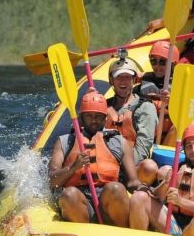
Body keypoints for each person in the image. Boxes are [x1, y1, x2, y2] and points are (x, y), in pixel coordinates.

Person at [48, 91, 141, 225]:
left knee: (115, 188)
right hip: (80, 202)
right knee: (69, 195)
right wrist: (73, 167)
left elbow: (132, 182)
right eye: (89, 116)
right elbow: (52, 181)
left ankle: (119, 235)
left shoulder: (119, 142)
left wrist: (146, 190)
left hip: (109, 201)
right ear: (80, 118)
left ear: (105, 119)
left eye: (98, 116)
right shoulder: (64, 142)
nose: (94, 120)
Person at [129, 124, 194, 236]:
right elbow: (159, 198)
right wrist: (166, 184)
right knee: (139, 198)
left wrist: (180, 201)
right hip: (176, 222)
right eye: (189, 146)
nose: (193, 150)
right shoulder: (180, 166)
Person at [105, 51, 159, 183]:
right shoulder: (103, 106)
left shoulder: (145, 107)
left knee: (149, 166)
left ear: (134, 80)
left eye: (128, 77)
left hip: (131, 169)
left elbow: (142, 148)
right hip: (105, 163)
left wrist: (119, 168)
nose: (123, 81)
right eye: (118, 77)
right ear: (111, 80)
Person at [134, 40, 180, 144]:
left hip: (168, 138)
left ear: (173, 64)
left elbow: (187, 112)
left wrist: (173, 101)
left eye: (163, 62)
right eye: (154, 61)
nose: (157, 66)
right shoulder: (143, 81)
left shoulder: (179, 85)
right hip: (145, 133)